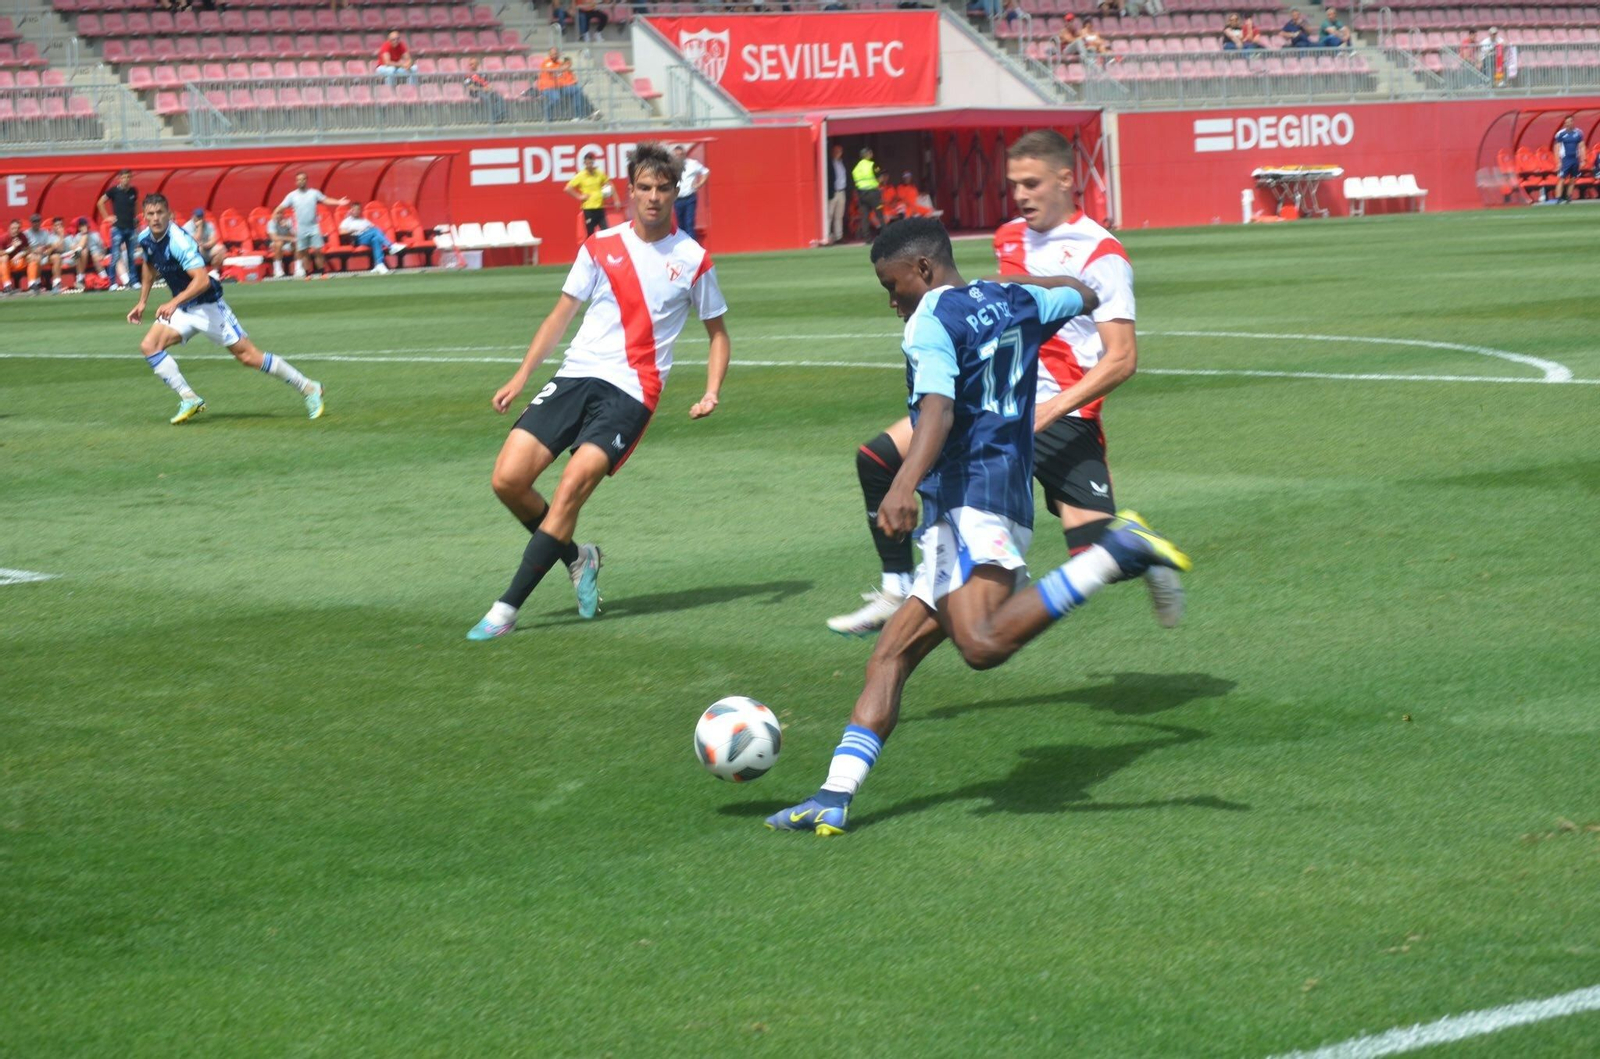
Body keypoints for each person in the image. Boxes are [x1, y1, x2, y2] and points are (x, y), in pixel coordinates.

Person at [768, 218, 1191, 835]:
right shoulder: (1016, 298)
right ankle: (833, 797)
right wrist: (1008, 288)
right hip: (998, 500)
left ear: (922, 269)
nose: (892, 301)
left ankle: (1116, 551)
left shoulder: (929, 322)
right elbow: (1085, 293)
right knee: (889, 657)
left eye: (892, 285)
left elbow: (937, 411)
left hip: (969, 500)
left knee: (981, 645)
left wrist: (902, 485)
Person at [827, 129, 1183, 637]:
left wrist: (1051, 410)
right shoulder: (1009, 235)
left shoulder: (1101, 251)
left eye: (1032, 183)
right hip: (994, 400)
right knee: (878, 459)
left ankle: (1142, 555)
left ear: (1066, 179)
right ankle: (896, 586)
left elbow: (1122, 358)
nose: (1020, 195)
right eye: (1014, 184)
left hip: (1060, 413)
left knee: (1092, 551)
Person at [465, 143, 731, 641]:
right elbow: (560, 315)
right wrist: (522, 375)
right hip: (576, 376)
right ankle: (578, 557)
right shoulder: (599, 245)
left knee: (570, 488)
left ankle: (506, 609)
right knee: (507, 480)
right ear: (629, 191)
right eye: (644, 187)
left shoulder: (693, 259)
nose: (653, 197)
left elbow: (718, 333)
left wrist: (711, 391)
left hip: (632, 391)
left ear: (677, 191)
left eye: (663, 188)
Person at [126, 193, 325, 425]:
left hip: (208, 306)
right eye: (151, 214)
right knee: (149, 345)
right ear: (144, 217)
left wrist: (173, 302)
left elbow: (202, 281)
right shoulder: (146, 238)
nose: (156, 218)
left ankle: (308, 387)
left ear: (169, 215)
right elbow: (149, 266)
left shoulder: (179, 240)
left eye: (160, 213)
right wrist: (142, 301)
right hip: (183, 308)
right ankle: (189, 398)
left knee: (249, 357)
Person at [278, 172, 350, 279]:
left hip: (314, 227)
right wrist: (277, 217)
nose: (301, 181)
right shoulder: (291, 196)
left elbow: (325, 200)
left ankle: (322, 273)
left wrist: (338, 202)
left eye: (303, 179)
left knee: (318, 251)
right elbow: (281, 207)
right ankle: (308, 274)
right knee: (304, 252)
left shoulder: (314, 193)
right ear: (296, 182)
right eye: (299, 179)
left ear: (306, 180)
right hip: (300, 228)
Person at [97, 169, 140, 290]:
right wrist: (107, 217)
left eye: (128, 177)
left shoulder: (133, 191)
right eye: (124, 177)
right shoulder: (113, 191)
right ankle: (112, 282)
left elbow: (135, 204)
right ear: (119, 179)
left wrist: (135, 217)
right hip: (118, 228)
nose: (126, 179)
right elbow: (100, 202)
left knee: (131, 256)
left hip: (131, 228)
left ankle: (134, 281)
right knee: (115, 255)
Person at [338, 202, 406, 273]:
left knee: (375, 239)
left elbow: (374, 229)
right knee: (375, 231)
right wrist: (355, 229)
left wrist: (370, 231)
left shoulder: (364, 220)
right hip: (357, 238)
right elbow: (342, 232)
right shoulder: (347, 221)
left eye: (358, 209)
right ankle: (391, 246)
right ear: (351, 210)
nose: (356, 211)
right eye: (354, 209)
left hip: (367, 237)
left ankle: (379, 264)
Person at [566, 152, 612, 238]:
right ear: (584, 163)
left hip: (600, 207)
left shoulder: (599, 173)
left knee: (606, 231)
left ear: (593, 162)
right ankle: (591, 247)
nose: (589, 165)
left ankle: (606, 246)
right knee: (590, 233)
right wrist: (579, 196)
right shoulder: (581, 175)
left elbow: (608, 183)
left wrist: (607, 193)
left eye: (591, 163)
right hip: (589, 209)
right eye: (587, 163)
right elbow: (568, 188)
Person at [57, 217, 110, 291]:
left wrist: (103, 254)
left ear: (88, 226)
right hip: (80, 257)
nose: (83, 227)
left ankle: (104, 278)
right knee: (83, 251)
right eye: (81, 226)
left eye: (84, 225)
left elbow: (102, 246)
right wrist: (84, 236)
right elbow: (74, 248)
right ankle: (80, 278)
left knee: (94, 255)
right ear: (79, 228)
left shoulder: (95, 235)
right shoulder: (77, 237)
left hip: (95, 254)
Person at [672, 145, 709, 236]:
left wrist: (699, 184)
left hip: (689, 198)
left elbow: (705, 172)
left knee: (689, 223)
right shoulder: (671, 166)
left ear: (684, 154)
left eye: (680, 154)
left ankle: (691, 243)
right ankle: (682, 243)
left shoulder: (692, 164)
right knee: (680, 225)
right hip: (677, 199)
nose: (678, 157)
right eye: (676, 155)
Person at [852, 147, 883, 242]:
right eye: (870, 152)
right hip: (873, 193)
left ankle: (867, 238)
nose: (871, 154)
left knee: (864, 216)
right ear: (868, 154)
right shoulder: (872, 164)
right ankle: (885, 234)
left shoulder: (856, 168)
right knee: (879, 214)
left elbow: (856, 182)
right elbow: (880, 176)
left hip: (862, 194)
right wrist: (878, 184)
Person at [1553, 116, 1586, 203]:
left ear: (1573, 122)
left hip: (1575, 159)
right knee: (1562, 178)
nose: (1568, 123)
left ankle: (1568, 196)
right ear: (1565, 123)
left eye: (1570, 121)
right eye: (1567, 122)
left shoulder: (1578, 133)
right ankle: (1558, 198)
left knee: (1573, 178)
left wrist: (1583, 159)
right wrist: (1558, 162)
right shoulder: (1560, 134)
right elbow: (1556, 148)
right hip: (1565, 159)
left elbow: (1582, 146)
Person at [464, 57, 507, 124]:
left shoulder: (482, 74)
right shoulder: (468, 75)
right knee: (487, 98)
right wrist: (482, 89)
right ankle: (494, 118)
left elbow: (488, 83)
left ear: (477, 64)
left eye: (473, 64)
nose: (471, 66)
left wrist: (489, 87)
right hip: (476, 92)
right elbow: (470, 87)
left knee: (499, 97)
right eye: (470, 64)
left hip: (486, 91)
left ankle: (502, 116)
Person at [20, 213, 54, 292]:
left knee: (56, 258)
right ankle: (37, 282)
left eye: (38, 221)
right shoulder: (26, 233)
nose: (36, 223)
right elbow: (24, 249)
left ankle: (56, 283)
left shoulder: (45, 232)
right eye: (34, 221)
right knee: (36, 258)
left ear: (40, 222)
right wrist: (34, 250)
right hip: (30, 254)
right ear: (31, 223)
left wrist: (47, 251)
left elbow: (50, 246)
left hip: (43, 254)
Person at [0, 218, 36, 294]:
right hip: (7, 263)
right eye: (13, 228)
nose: (15, 230)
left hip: (20, 262)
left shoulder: (22, 236)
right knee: (4, 258)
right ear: (9, 228)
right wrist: (13, 247)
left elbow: (28, 249)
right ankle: (7, 286)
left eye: (18, 228)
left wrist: (21, 254)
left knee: (32, 257)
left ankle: (32, 284)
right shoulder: (3, 238)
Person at [826, 143, 849, 246]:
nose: (838, 153)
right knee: (829, 215)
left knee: (839, 215)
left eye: (840, 151)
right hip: (833, 192)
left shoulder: (841, 163)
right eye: (836, 151)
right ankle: (827, 236)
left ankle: (838, 236)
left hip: (841, 191)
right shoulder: (829, 163)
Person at [266, 207, 297, 277]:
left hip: (288, 243)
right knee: (279, 243)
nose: (279, 215)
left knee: (297, 243)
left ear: (283, 214)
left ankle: (298, 268)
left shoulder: (288, 221)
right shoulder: (271, 223)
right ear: (273, 214)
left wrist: (288, 227)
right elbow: (274, 238)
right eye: (277, 213)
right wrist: (289, 238)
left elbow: (295, 236)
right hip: (274, 243)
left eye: (280, 213)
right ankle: (277, 269)